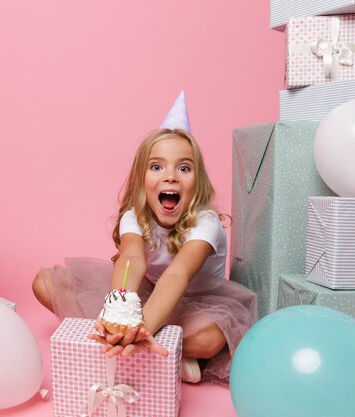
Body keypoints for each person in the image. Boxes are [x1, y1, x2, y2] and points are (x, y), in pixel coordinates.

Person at [32, 91, 257, 384]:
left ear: (197, 182)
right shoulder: (135, 217)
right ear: (142, 179)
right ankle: (154, 347)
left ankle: (133, 342)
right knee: (45, 283)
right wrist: (120, 318)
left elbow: (177, 274)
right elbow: (131, 260)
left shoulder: (205, 221)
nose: (170, 176)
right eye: (157, 166)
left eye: (184, 168)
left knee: (210, 339)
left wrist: (142, 327)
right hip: (148, 296)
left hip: (199, 303)